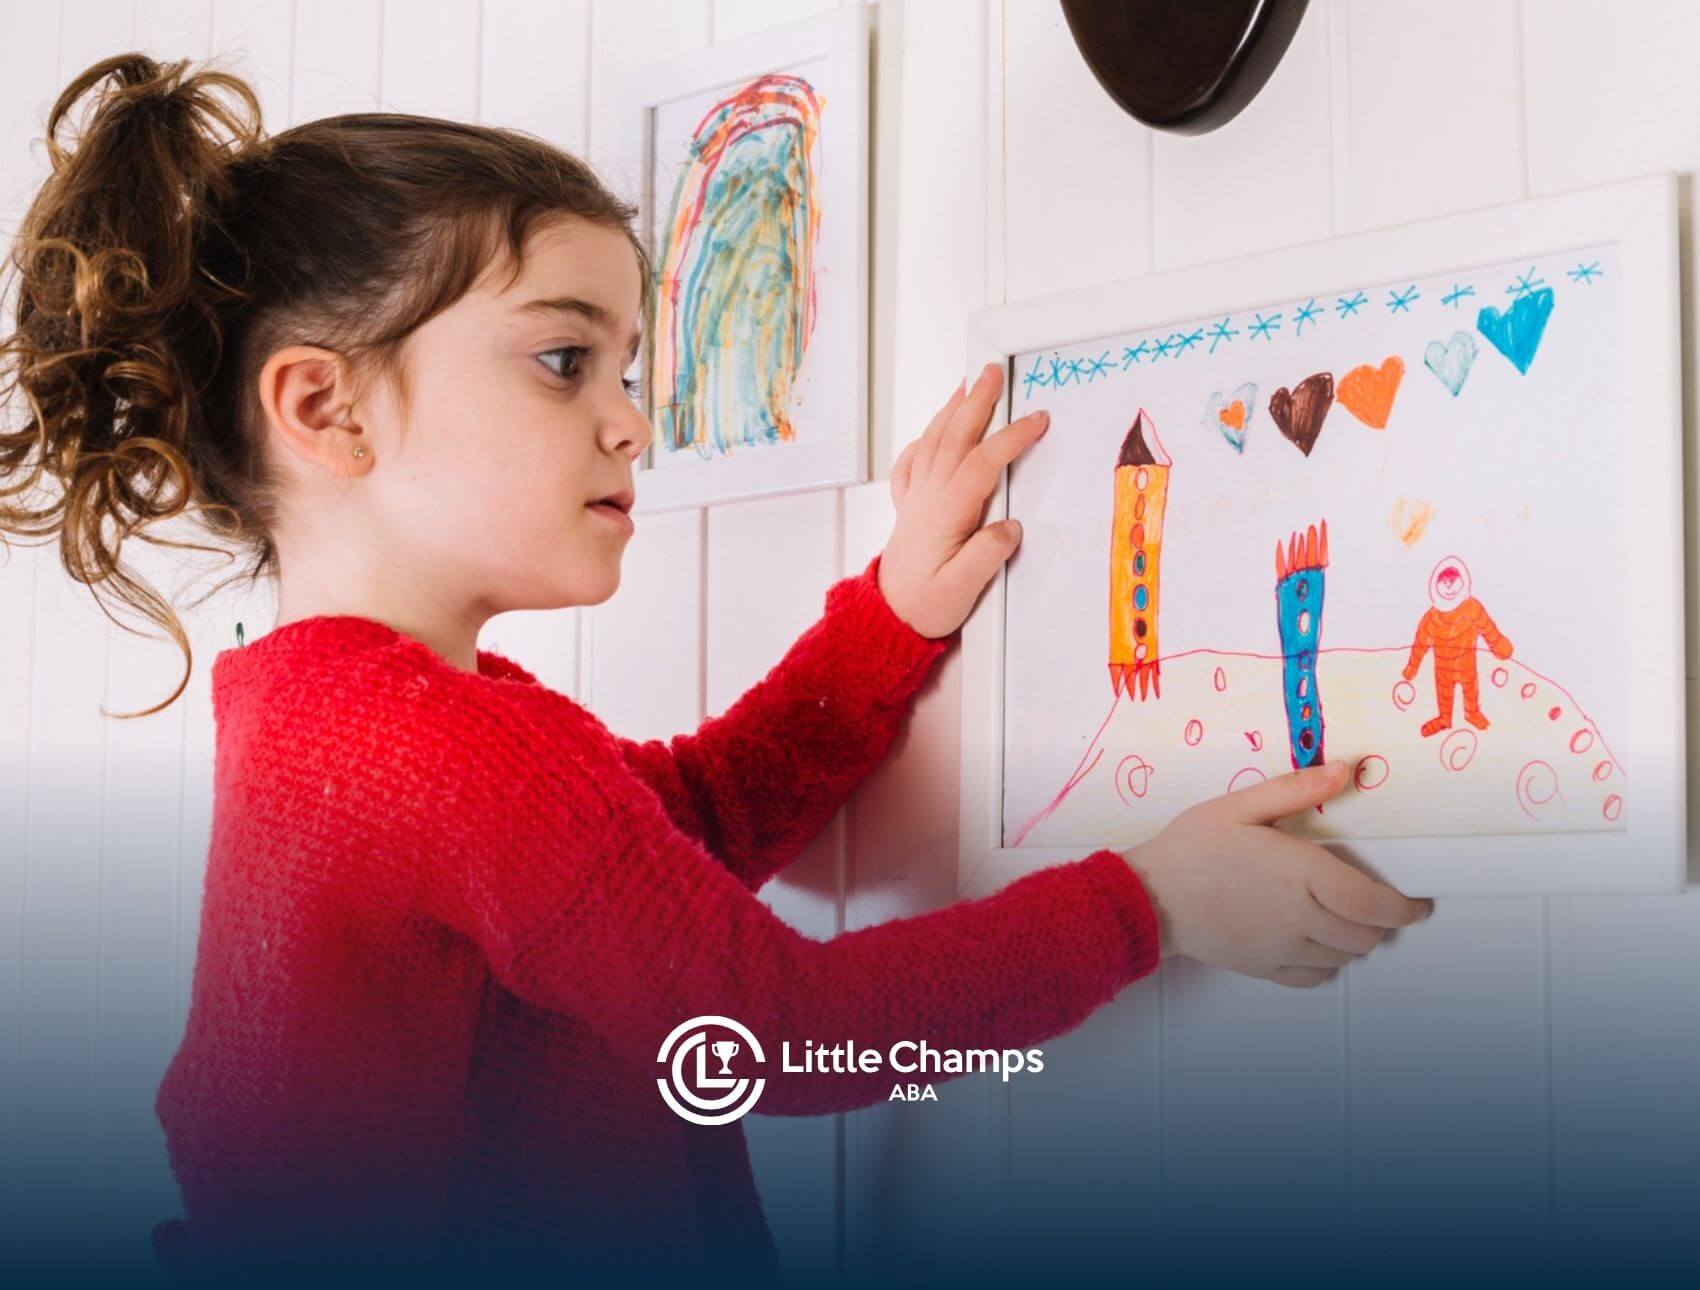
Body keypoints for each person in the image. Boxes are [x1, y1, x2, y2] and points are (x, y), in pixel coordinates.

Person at [0, 52, 1433, 1290]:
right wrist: (1151, 898)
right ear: (326, 407)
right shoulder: (422, 749)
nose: (635, 424)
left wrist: (891, 615)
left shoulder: (342, 718)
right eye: (567, 362)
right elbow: (772, 1031)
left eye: (629, 367)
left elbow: (684, 824)